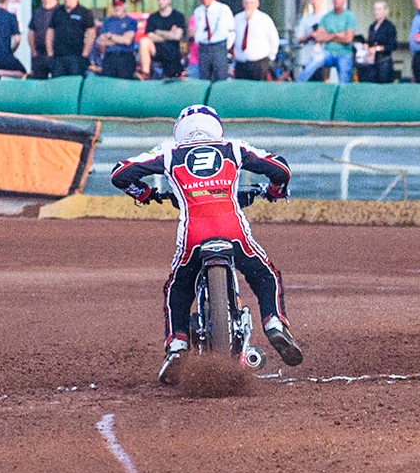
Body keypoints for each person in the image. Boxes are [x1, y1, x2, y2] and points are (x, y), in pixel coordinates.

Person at [109, 104, 303, 384]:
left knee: (177, 286)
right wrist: (275, 191)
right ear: (216, 126)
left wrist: (145, 193)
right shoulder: (233, 148)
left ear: (180, 130)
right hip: (232, 228)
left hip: (193, 233)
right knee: (265, 274)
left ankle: (177, 346)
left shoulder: (169, 152)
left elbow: (120, 174)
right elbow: (280, 169)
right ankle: (274, 322)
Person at [301, 0, 357, 83]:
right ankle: (298, 85)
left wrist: (329, 35)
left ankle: (342, 94)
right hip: (328, 52)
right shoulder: (327, 17)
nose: (337, 0)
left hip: (344, 53)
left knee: (344, 78)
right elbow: (319, 37)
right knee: (312, 63)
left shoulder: (350, 16)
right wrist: (337, 34)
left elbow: (348, 39)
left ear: (344, 0)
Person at [94, 0, 148, 80]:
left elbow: (127, 41)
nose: (117, 8)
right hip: (109, 57)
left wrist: (110, 36)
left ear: (124, 6)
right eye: (115, 6)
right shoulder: (107, 21)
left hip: (125, 57)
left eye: (120, 5)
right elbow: (102, 41)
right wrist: (120, 38)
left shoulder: (131, 21)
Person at [190, 0, 234, 81]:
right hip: (204, 47)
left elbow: (231, 29)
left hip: (219, 45)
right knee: (204, 76)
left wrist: (226, 46)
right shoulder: (198, 11)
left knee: (220, 76)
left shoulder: (223, 9)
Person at [231, 0, 279, 81]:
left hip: (259, 64)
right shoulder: (237, 19)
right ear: (243, 4)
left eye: (252, 3)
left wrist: (270, 58)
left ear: (257, 4)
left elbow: (274, 39)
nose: (249, 5)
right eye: (246, 3)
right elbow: (232, 38)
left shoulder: (264, 19)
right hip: (241, 64)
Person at [144, 0, 187, 79]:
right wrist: (170, 34)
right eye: (158, 0)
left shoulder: (177, 16)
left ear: (169, 0)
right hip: (157, 55)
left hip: (173, 56)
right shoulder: (153, 18)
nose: (160, 2)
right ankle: (145, 72)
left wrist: (159, 32)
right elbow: (150, 36)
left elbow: (177, 36)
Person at [357, 0, 398, 83]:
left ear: (386, 11)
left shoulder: (389, 26)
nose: (376, 12)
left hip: (384, 61)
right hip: (372, 62)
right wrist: (366, 45)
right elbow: (371, 42)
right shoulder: (372, 26)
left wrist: (377, 48)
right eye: (374, 9)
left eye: (379, 9)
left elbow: (393, 45)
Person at [27, 0, 60, 79]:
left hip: (56, 54)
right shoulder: (37, 12)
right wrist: (33, 50)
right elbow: (31, 32)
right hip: (39, 55)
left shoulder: (60, 12)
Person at [292, 0, 327, 81]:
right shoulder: (306, 19)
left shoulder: (327, 17)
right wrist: (309, 35)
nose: (315, 1)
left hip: (322, 56)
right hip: (308, 57)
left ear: (322, 0)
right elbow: (298, 39)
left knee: (323, 83)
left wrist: (319, 35)